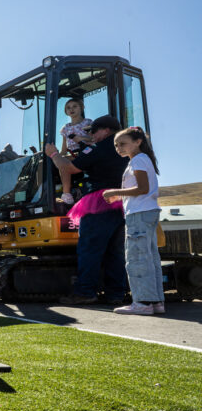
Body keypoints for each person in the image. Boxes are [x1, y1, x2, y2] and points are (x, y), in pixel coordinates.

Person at [44, 115, 129, 305]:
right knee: (115, 252)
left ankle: (85, 292)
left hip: (99, 202)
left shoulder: (99, 148)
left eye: (93, 131)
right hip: (121, 204)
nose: (92, 136)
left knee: (90, 248)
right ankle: (115, 294)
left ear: (106, 130)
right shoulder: (124, 150)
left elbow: (69, 168)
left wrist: (53, 154)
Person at [103, 127, 163, 315]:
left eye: (122, 143)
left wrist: (115, 192)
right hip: (147, 212)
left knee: (137, 258)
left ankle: (143, 303)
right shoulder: (142, 160)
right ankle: (156, 302)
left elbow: (142, 188)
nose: (118, 147)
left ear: (137, 142)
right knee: (151, 258)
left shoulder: (137, 160)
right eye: (116, 145)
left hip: (139, 214)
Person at [56, 97, 93, 205]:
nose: (71, 109)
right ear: (66, 112)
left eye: (74, 106)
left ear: (82, 108)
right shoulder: (65, 128)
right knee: (50, 161)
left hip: (86, 151)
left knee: (63, 163)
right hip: (72, 153)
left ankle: (66, 194)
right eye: (68, 108)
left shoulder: (88, 122)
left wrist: (81, 139)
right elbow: (63, 149)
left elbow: (93, 139)